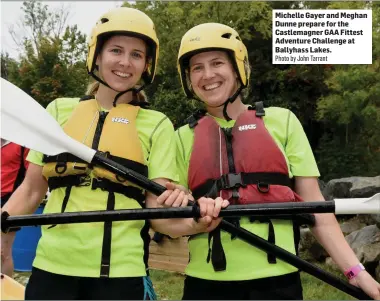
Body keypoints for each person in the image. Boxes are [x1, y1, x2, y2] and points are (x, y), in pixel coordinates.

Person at [174, 23, 380, 300]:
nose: (207, 75)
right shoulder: (180, 137)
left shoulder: (283, 122)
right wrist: (195, 221)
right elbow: (163, 221)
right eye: (197, 68)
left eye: (217, 63)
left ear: (238, 68)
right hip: (205, 284)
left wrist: (357, 272)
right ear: (188, 78)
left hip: (278, 282)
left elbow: (317, 210)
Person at [1, 7, 186, 300]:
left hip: (120, 274)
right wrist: (2, 237)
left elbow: (159, 213)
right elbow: (31, 190)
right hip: (51, 267)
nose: (125, 62)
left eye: (137, 54)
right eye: (116, 50)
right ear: (96, 56)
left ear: (146, 65)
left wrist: (200, 219)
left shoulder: (158, 124)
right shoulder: (59, 111)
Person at [1, 139, 29, 277]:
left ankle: (3, 293)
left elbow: (32, 178)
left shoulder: (22, 142)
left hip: (11, 201)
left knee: (3, 251)